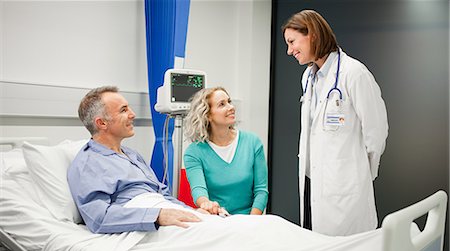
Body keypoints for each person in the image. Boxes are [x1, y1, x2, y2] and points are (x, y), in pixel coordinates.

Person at [282, 10, 388, 236]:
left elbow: (376, 131)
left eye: (292, 42)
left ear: (311, 34)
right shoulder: (308, 77)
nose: (289, 51)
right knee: (319, 250)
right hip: (313, 182)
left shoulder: (354, 73)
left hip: (346, 186)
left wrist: (356, 173)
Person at [67, 86, 204, 234]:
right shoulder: (89, 164)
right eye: (123, 110)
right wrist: (157, 216)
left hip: (162, 210)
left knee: (220, 225)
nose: (132, 114)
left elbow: (162, 193)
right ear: (102, 123)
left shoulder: (132, 155)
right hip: (144, 220)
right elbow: (99, 218)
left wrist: (193, 212)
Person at [183, 87, 268, 215]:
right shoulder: (194, 152)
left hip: (250, 219)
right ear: (207, 115)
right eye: (222, 104)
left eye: (229, 101)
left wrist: (251, 223)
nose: (231, 107)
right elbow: (199, 190)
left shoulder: (252, 143)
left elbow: (261, 191)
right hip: (218, 218)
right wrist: (206, 204)